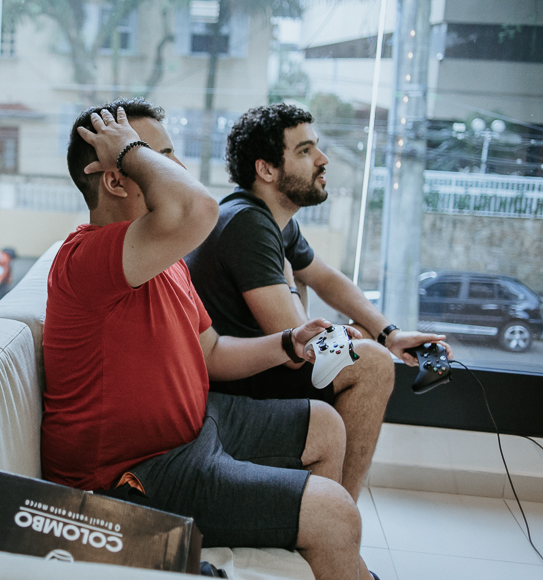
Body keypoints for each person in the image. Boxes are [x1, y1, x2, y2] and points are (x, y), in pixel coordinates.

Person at [42, 99, 378, 580]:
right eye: (156, 157)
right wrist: (128, 148)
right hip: (131, 478)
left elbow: (213, 351)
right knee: (334, 512)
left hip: (195, 428)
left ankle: (317, 558)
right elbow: (199, 208)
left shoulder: (163, 258)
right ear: (117, 179)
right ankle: (333, 548)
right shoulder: (86, 259)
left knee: (325, 424)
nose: (175, 168)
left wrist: (288, 342)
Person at [185, 103, 450, 501]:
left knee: (367, 344)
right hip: (236, 381)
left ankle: (331, 513)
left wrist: (389, 333)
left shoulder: (274, 220)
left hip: (260, 367)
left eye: (316, 148)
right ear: (267, 170)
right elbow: (300, 346)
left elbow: (327, 278)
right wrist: (293, 282)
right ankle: (339, 519)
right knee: (372, 364)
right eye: (305, 151)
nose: (322, 160)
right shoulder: (248, 224)